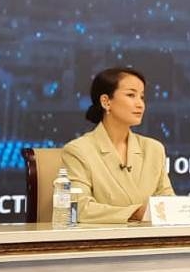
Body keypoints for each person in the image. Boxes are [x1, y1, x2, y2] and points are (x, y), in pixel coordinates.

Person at [62, 67, 174, 223]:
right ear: (106, 102)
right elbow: (79, 208)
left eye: (142, 97)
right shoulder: (78, 151)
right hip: (103, 237)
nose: (140, 104)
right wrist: (134, 213)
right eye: (131, 95)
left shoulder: (154, 149)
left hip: (151, 236)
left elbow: (169, 202)